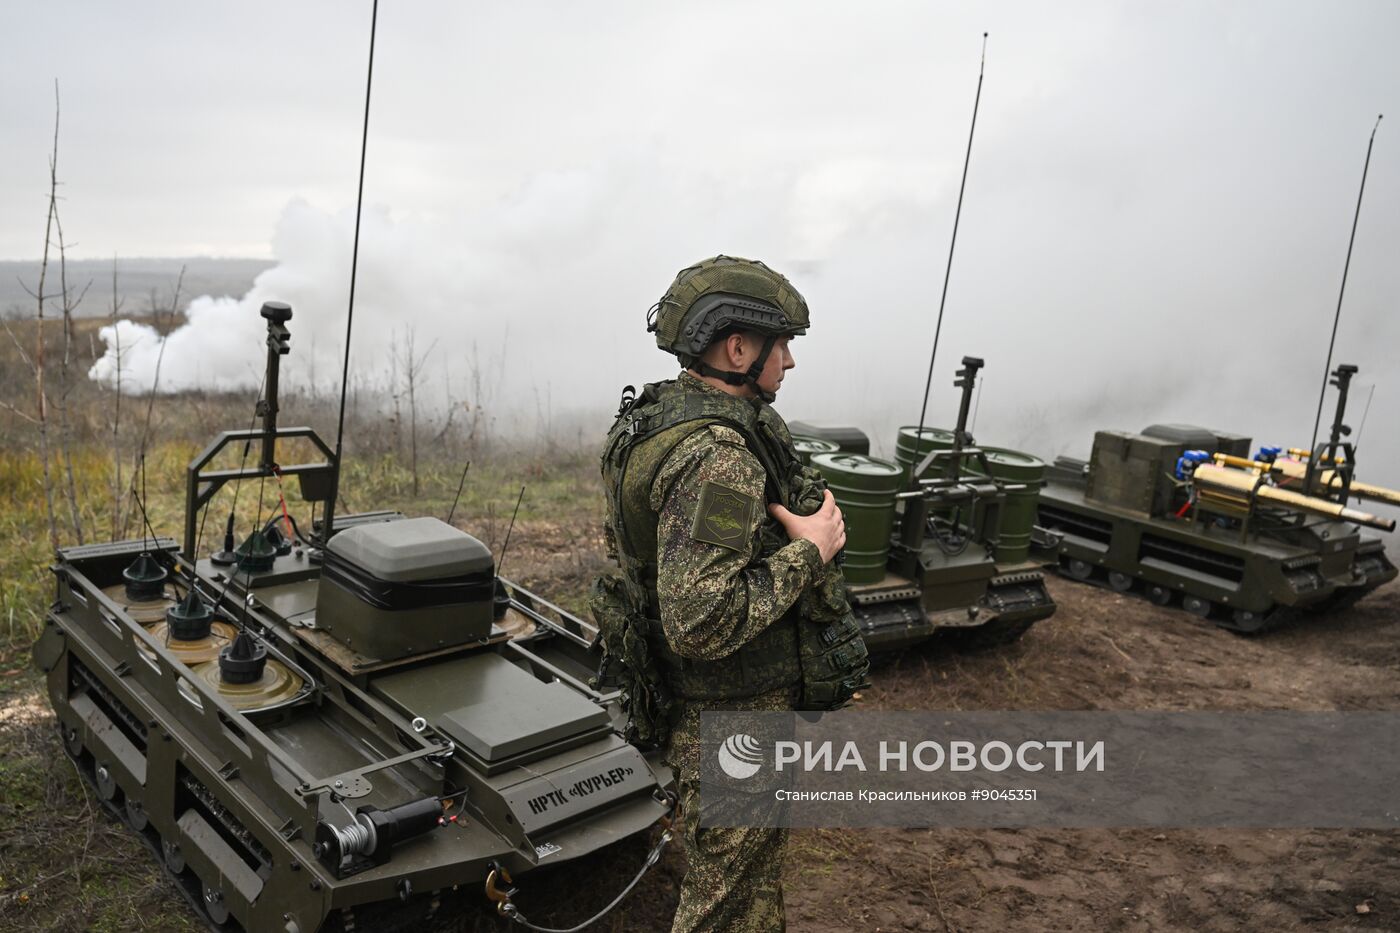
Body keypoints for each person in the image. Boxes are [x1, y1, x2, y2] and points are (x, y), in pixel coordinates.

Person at [592, 255, 870, 932]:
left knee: (749, 886)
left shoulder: (658, 418)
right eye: (785, 346)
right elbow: (702, 618)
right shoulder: (719, 458)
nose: (791, 364)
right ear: (738, 347)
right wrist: (812, 550)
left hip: (704, 709)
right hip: (731, 715)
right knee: (720, 902)